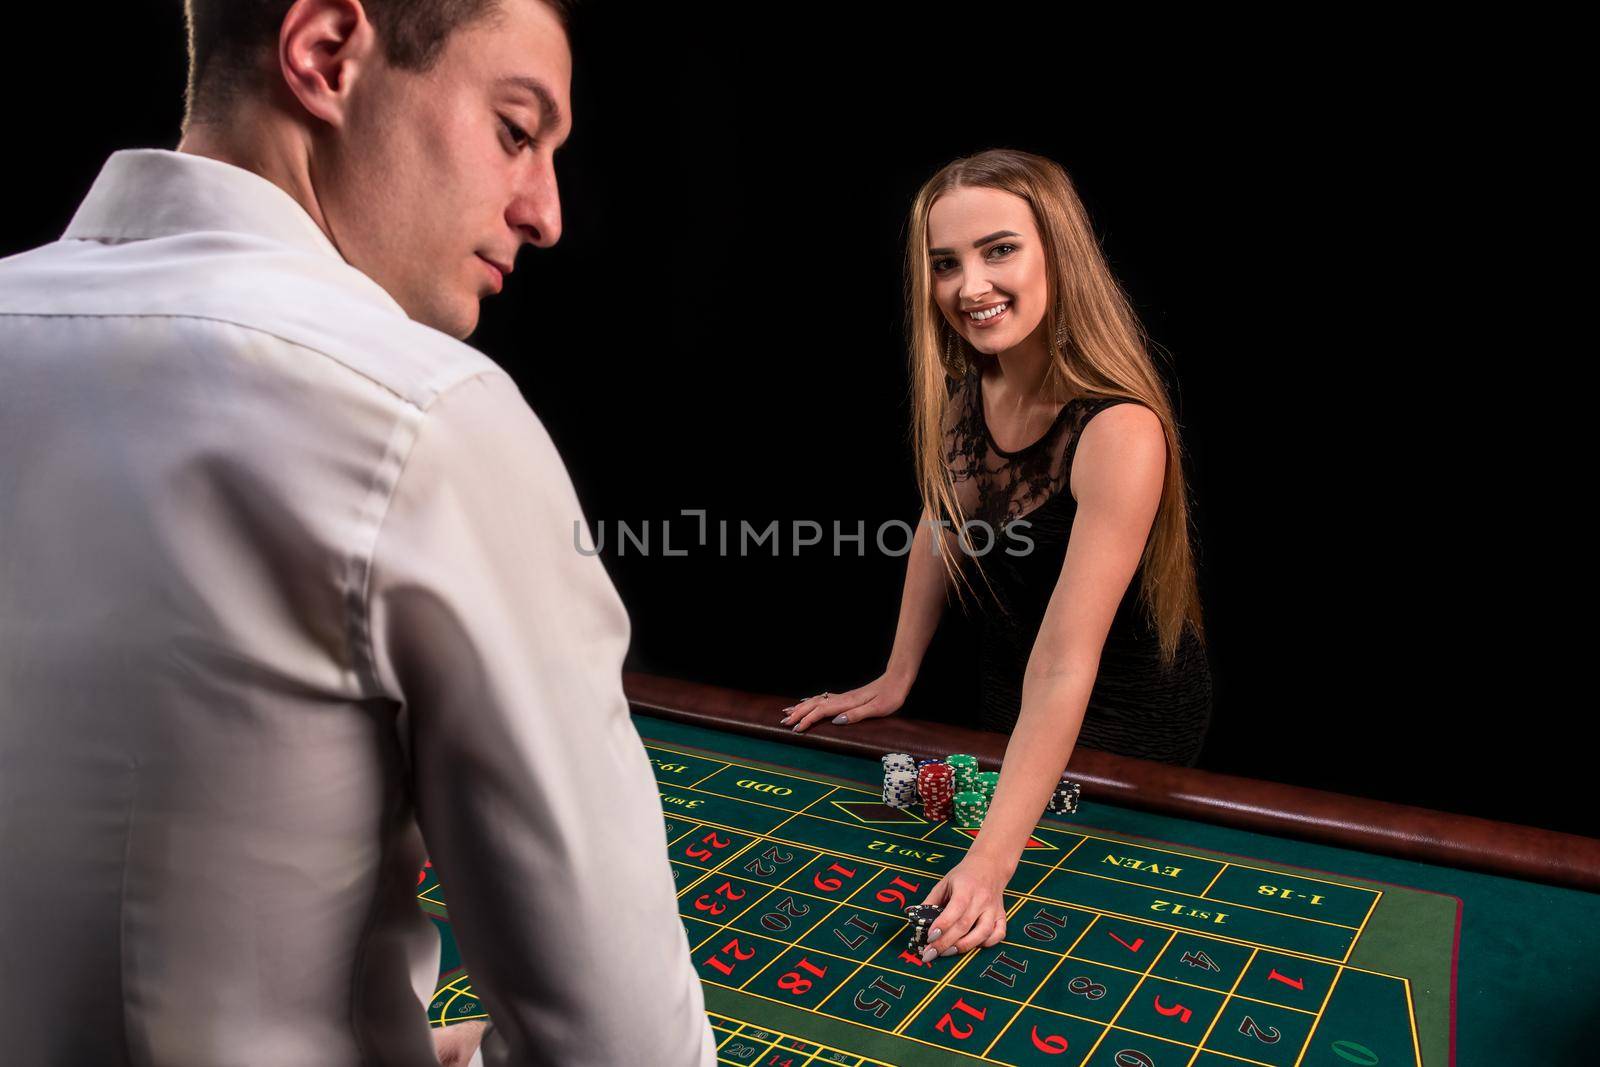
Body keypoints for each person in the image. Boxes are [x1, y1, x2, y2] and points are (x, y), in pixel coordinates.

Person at [0, 1, 715, 1065]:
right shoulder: (430, 417)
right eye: (516, 131)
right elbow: (628, 1049)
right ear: (327, 54)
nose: (547, 211)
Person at [782, 149, 1213, 960]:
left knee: (948, 813)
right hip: (1014, 706)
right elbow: (940, 524)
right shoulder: (967, 395)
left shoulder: (1119, 430)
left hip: (1124, 732)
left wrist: (987, 865)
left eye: (999, 249)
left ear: (1058, 252)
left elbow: (1064, 662)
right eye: (945, 263)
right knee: (897, 781)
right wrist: (897, 672)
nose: (969, 286)